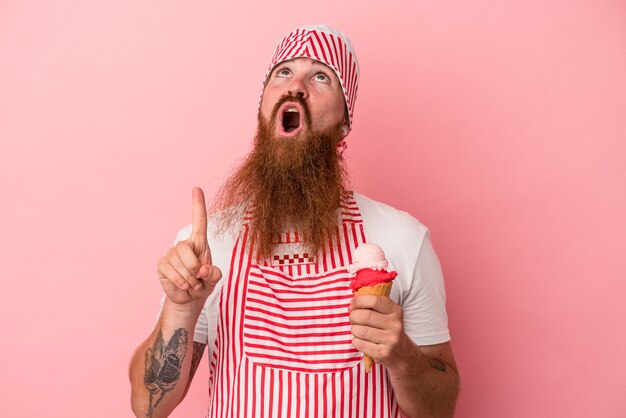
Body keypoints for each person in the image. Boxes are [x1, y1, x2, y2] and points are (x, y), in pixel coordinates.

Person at [129, 24, 460, 418]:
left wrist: (402, 357)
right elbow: (147, 408)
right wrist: (181, 307)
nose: (296, 87)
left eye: (321, 77)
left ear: (345, 122)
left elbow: (440, 410)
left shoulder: (403, 239)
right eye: (282, 73)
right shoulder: (208, 247)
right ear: (262, 108)